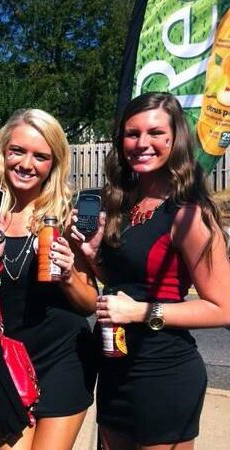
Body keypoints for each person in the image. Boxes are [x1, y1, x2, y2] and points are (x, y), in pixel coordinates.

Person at [71, 92, 230, 450]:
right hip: (114, 368)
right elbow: (128, 283)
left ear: (175, 140)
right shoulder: (123, 205)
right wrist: (93, 256)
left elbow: (223, 308)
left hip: (163, 373)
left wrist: (140, 312)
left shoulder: (188, 215)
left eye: (156, 133)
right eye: (132, 133)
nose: (142, 143)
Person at [0, 109, 98, 450]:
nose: (26, 164)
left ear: (53, 163)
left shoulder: (66, 218)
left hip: (65, 361)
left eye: (40, 156)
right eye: (18, 151)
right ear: (3, 152)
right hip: (10, 362)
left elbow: (89, 303)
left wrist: (67, 275)